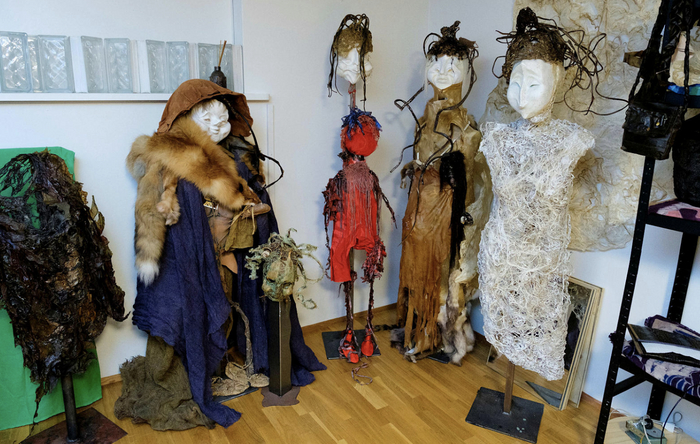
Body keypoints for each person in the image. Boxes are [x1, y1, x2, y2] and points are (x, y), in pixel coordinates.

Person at [478, 8, 598, 381]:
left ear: (557, 81)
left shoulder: (571, 141)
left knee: (537, 332)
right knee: (502, 327)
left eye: (533, 84)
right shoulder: (497, 138)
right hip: (501, 259)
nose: (521, 95)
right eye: (515, 83)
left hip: (542, 268)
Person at [395, 22, 489, 364]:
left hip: (445, 211)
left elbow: (469, 180)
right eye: (437, 63)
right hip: (419, 206)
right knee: (415, 264)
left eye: (453, 64)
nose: (444, 71)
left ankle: (435, 333)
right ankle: (416, 327)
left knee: (439, 269)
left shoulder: (466, 127)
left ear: (466, 73)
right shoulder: (423, 121)